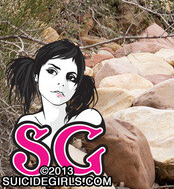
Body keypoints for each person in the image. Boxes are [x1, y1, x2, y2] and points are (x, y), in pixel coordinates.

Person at [6, 39, 103, 169]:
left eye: (71, 77)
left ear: (77, 86)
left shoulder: (88, 117)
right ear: (36, 74)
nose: (61, 83)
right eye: (52, 71)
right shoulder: (26, 124)